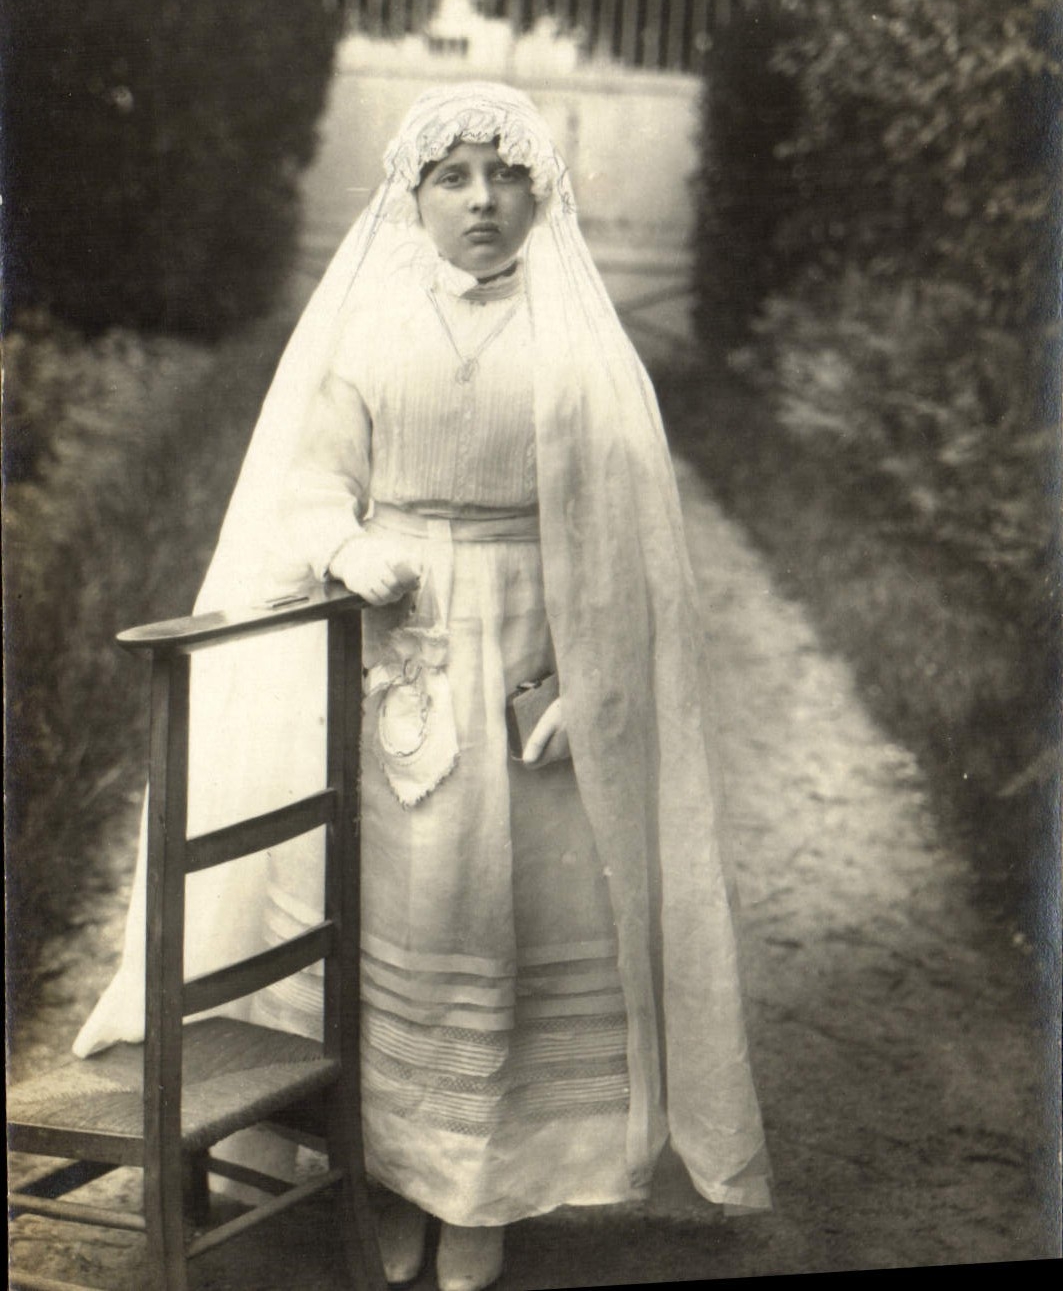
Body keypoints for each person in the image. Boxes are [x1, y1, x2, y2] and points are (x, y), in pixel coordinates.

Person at [75, 82, 770, 1291]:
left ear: (538, 194)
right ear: (413, 197)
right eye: (453, 177)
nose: (482, 200)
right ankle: (387, 1173)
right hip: (382, 650)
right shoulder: (369, 335)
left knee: (492, 916)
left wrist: (574, 669)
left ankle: (480, 1194)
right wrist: (345, 545)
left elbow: (615, 545)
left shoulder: (574, 348)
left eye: (503, 176)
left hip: (519, 655)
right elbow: (305, 478)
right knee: (383, 906)